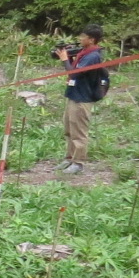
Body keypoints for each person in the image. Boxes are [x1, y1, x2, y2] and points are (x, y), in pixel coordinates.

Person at [57, 24, 106, 175]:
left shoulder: (93, 56)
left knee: (79, 132)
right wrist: (70, 56)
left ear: (91, 40)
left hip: (82, 98)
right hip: (73, 94)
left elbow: (74, 73)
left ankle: (78, 163)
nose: (80, 39)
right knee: (69, 128)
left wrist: (65, 60)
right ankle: (69, 158)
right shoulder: (84, 52)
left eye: (83, 37)